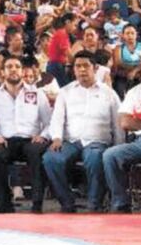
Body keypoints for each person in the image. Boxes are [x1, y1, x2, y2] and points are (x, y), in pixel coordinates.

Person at [43, 51, 123, 213]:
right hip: (71, 141)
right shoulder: (65, 92)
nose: (82, 70)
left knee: (94, 158)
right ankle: (67, 203)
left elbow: (118, 123)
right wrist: (57, 138)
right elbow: (57, 118)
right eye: (78, 66)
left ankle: (94, 204)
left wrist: (118, 147)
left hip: (97, 142)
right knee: (50, 159)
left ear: (95, 68)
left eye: (86, 66)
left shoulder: (108, 93)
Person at [0, 55, 52, 213]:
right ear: (2, 72)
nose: (13, 70)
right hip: (5, 140)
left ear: (23, 71)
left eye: (17, 66)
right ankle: (3, 203)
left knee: (36, 151)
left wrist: (43, 135)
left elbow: (49, 122)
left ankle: (36, 203)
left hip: (31, 139)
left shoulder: (37, 94)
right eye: (9, 67)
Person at [103, 52, 141, 212]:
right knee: (110, 155)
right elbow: (125, 122)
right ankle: (121, 204)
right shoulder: (135, 92)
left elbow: (133, 121)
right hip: (139, 141)